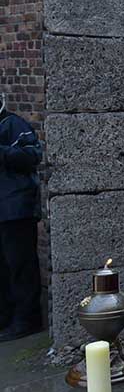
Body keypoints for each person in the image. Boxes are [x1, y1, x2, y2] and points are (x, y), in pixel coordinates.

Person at [0, 98, 43, 343]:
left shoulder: (13, 124)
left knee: (20, 266)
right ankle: (6, 316)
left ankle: (26, 318)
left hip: (16, 209)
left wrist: (3, 152)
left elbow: (32, 154)